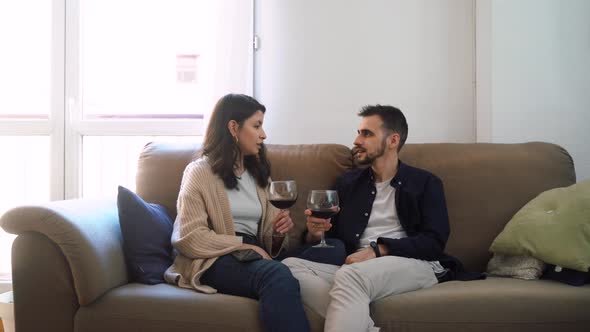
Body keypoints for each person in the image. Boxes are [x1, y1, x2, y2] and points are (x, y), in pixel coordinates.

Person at [284, 105, 482, 332]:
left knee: (351, 276)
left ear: (393, 140)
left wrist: (380, 250)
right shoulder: (348, 184)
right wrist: (315, 233)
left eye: (367, 134)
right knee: (288, 267)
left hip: (415, 263)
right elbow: (331, 234)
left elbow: (434, 242)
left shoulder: (426, 183)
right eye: (358, 132)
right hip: (358, 267)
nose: (357, 140)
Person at [164, 93, 344, 332]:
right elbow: (189, 237)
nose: (264, 134)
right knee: (276, 275)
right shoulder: (200, 172)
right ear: (233, 127)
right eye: (257, 126)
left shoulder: (258, 175)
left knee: (336, 248)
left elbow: (269, 246)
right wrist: (243, 245)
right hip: (217, 258)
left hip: (256, 255)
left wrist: (278, 233)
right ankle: (286, 274)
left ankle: (289, 270)